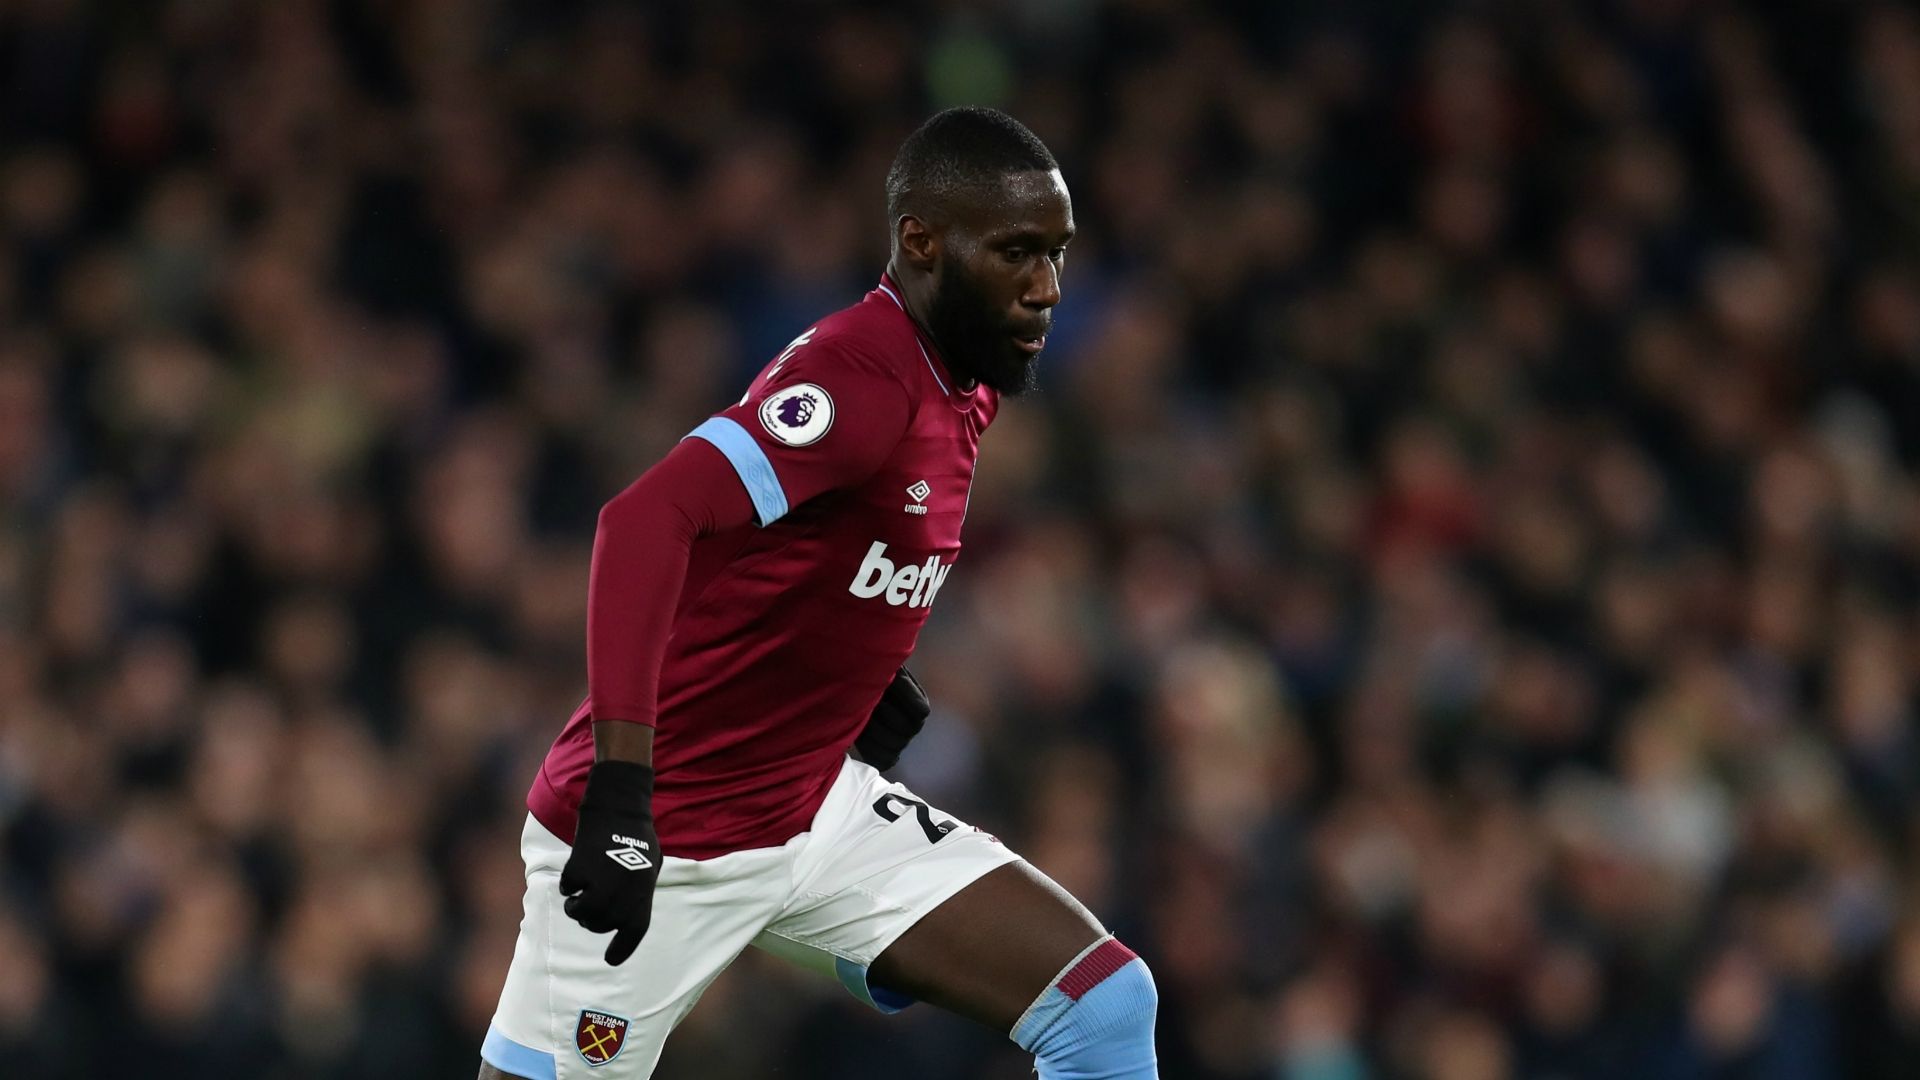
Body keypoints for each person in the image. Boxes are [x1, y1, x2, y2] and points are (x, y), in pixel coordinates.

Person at [477, 108, 1159, 1080]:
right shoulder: (859, 379)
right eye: (1018, 253)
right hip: (666, 836)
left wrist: (847, 670)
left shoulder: (962, 379)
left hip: (812, 808)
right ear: (921, 242)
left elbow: (813, 551)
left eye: (1056, 255)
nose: (1047, 289)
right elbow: (641, 524)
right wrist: (624, 794)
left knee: (1103, 1005)